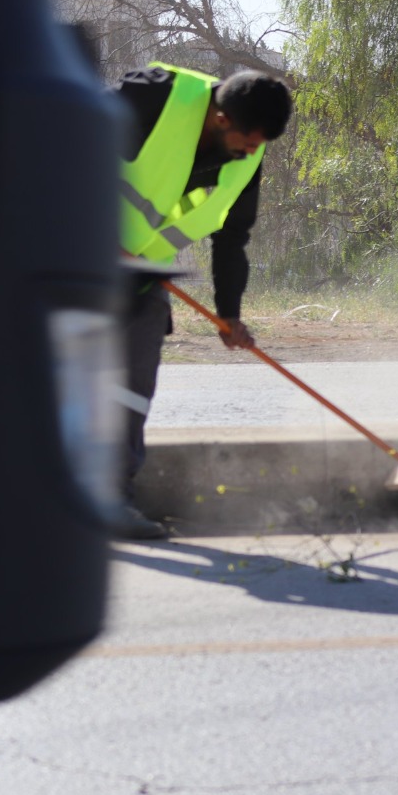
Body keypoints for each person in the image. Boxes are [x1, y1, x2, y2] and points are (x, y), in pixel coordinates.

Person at [111, 63, 292, 539]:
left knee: (131, 389)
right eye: (248, 141)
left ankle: (113, 499)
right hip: (72, 258)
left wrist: (229, 315)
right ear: (222, 118)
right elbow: (67, 141)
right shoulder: (156, 96)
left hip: (142, 280)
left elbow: (232, 239)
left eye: (260, 145)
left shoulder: (247, 156)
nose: (251, 152)